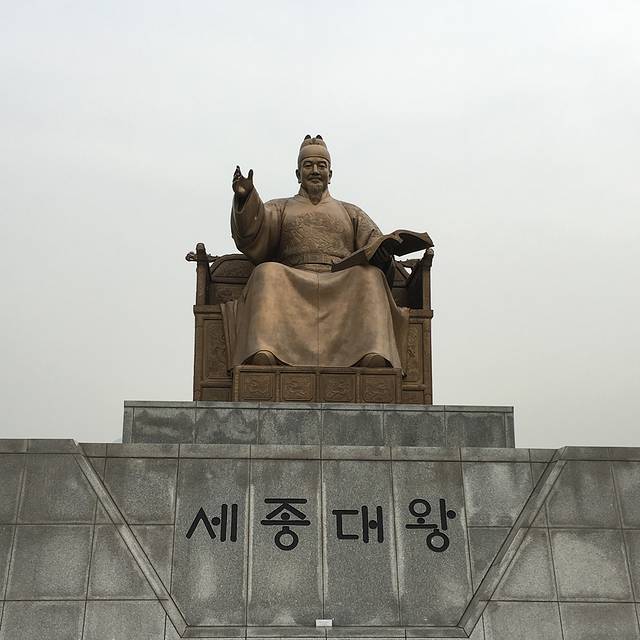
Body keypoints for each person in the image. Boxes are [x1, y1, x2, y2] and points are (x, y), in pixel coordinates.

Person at [221, 135, 409, 369]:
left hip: (341, 280)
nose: (315, 171)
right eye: (308, 165)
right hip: (293, 278)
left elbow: (374, 243)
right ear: (298, 174)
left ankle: (372, 352)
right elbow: (254, 230)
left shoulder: (351, 212)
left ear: (330, 174)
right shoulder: (280, 207)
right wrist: (246, 198)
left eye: (322, 166)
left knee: (370, 277)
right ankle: (265, 350)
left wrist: (383, 257)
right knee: (266, 272)